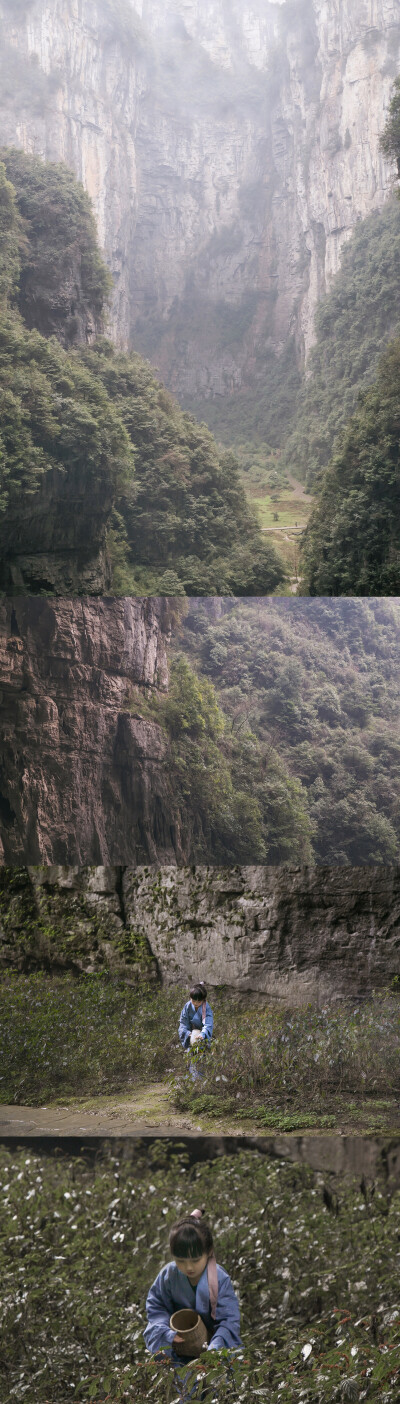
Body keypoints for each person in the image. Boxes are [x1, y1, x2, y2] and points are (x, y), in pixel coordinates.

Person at [144, 1207, 241, 1361]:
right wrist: (167, 1334)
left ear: (209, 1252)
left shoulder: (219, 1278)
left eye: (195, 1260)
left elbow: (229, 1321)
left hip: (212, 1345)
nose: (189, 1267)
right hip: (177, 1348)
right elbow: (157, 1307)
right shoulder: (168, 1275)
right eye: (180, 1261)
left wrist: (215, 1348)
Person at [178, 982, 214, 1051]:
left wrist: (203, 1034)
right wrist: (188, 1033)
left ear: (203, 1000)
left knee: (203, 1052)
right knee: (191, 1054)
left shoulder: (206, 1007)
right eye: (193, 1001)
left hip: (202, 1034)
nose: (196, 1003)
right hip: (191, 1034)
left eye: (199, 1001)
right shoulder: (187, 1006)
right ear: (190, 998)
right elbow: (183, 1022)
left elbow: (208, 1023)